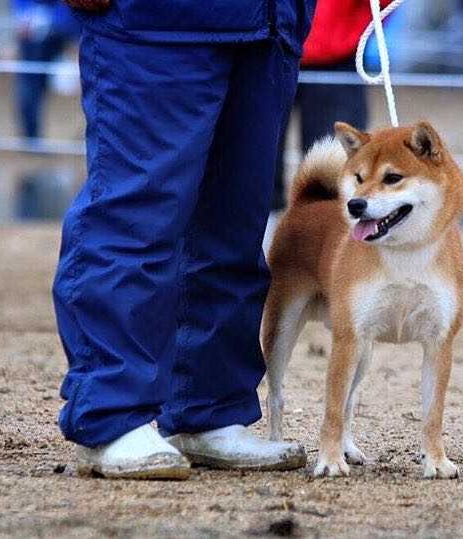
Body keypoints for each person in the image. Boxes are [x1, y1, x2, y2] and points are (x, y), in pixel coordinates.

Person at [53, 0, 315, 479]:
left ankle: (210, 408)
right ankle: (111, 414)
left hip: (270, 24)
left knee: (235, 223)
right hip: (156, 23)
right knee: (136, 213)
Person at [270, 0, 391, 214]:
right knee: (254, 167)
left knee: (331, 173)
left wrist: (356, 29)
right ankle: (258, 238)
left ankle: (323, 235)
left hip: (335, 55)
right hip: (265, 47)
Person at [12, 0, 80, 139]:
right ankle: (31, 137)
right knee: (31, 85)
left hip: (62, 24)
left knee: (31, 85)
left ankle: (32, 138)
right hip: (37, 29)